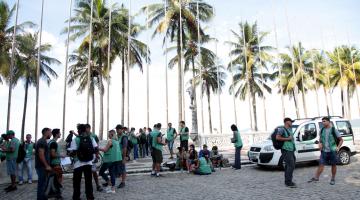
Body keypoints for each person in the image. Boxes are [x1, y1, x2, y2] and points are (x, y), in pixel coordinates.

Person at [308, 117, 343, 185]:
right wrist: (320, 143)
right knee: (321, 164)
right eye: (322, 121)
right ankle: (316, 177)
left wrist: (338, 147)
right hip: (324, 151)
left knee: (333, 165)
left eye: (324, 121)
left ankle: (333, 178)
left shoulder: (333, 130)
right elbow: (320, 139)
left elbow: (341, 140)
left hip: (332, 151)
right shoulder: (322, 130)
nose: (323, 123)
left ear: (328, 122)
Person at [69, 124, 98, 200]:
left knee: (77, 182)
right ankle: (90, 197)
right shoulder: (91, 138)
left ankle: (76, 197)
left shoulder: (75, 140)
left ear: (78, 131)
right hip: (88, 162)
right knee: (88, 181)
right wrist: (95, 156)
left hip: (78, 164)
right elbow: (96, 148)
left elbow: (73, 152)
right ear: (85, 130)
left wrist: (69, 153)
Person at [276, 118, 297, 188]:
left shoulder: (290, 129)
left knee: (290, 165)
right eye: (291, 122)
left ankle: (288, 181)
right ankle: (288, 182)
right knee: (291, 165)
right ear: (287, 122)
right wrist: (288, 138)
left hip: (291, 149)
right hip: (286, 149)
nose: (292, 123)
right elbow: (277, 137)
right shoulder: (282, 129)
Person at [35, 128, 52, 200]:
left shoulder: (43, 141)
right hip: (42, 167)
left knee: (44, 184)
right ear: (46, 132)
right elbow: (41, 155)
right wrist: (47, 165)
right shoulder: (42, 142)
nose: (51, 134)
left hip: (42, 166)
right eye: (50, 132)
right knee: (42, 185)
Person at [85, 124, 103, 192]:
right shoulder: (83, 136)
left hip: (92, 156)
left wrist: (97, 154)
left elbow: (97, 146)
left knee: (94, 172)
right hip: (85, 158)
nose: (86, 130)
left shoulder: (94, 136)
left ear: (89, 128)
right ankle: (89, 187)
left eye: (86, 128)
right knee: (87, 173)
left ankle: (98, 185)